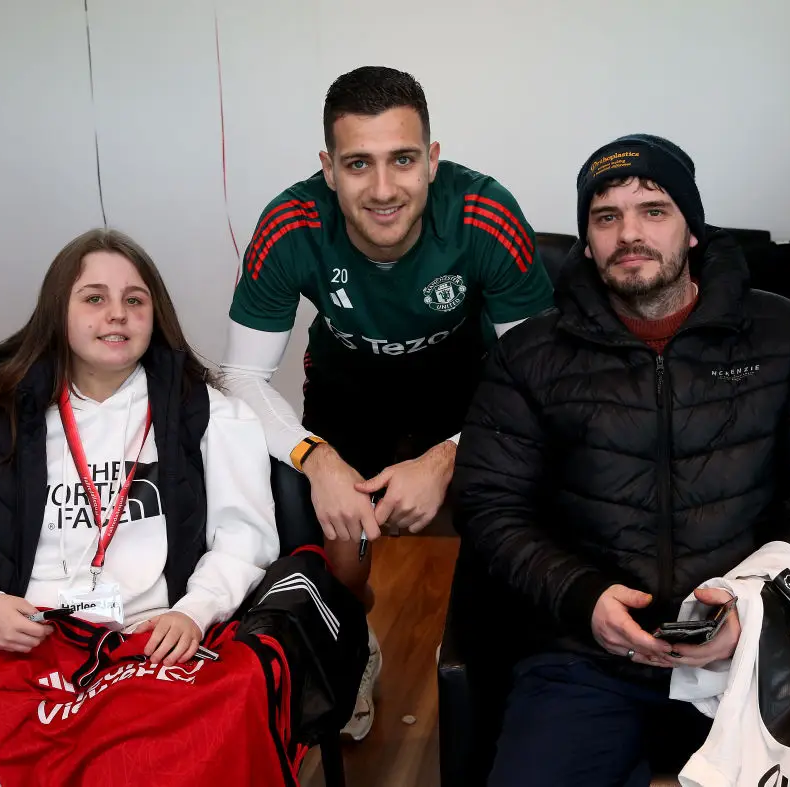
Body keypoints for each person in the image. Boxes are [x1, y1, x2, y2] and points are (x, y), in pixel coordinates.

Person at [451, 134, 790, 785]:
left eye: (653, 209)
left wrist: (756, 605)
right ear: (587, 242)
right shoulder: (528, 355)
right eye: (605, 216)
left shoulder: (786, 337)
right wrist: (582, 596)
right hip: (584, 654)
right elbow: (489, 505)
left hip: (755, 642)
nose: (629, 233)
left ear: (692, 229)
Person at [220, 65, 554, 739]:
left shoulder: (486, 214)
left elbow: (544, 377)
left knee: (519, 511)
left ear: (431, 160)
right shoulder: (291, 222)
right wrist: (315, 458)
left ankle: (483, 648)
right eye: (357, 164)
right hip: (350, 390)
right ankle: (354, 638)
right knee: (338, 547)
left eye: (402, 159)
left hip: (471, 391)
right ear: (328, 168)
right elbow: (240, 379)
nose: (381, 189)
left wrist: (450, 457)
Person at [0, 228, 280, 785]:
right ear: (59, 313)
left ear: (155, 316)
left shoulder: (210, 417)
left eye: (135, 300)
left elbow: (244, 538)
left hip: (154, 640)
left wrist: (195, 610)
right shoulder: (9, 423)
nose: (117, 314)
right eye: (94, 298)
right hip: (28, 643)